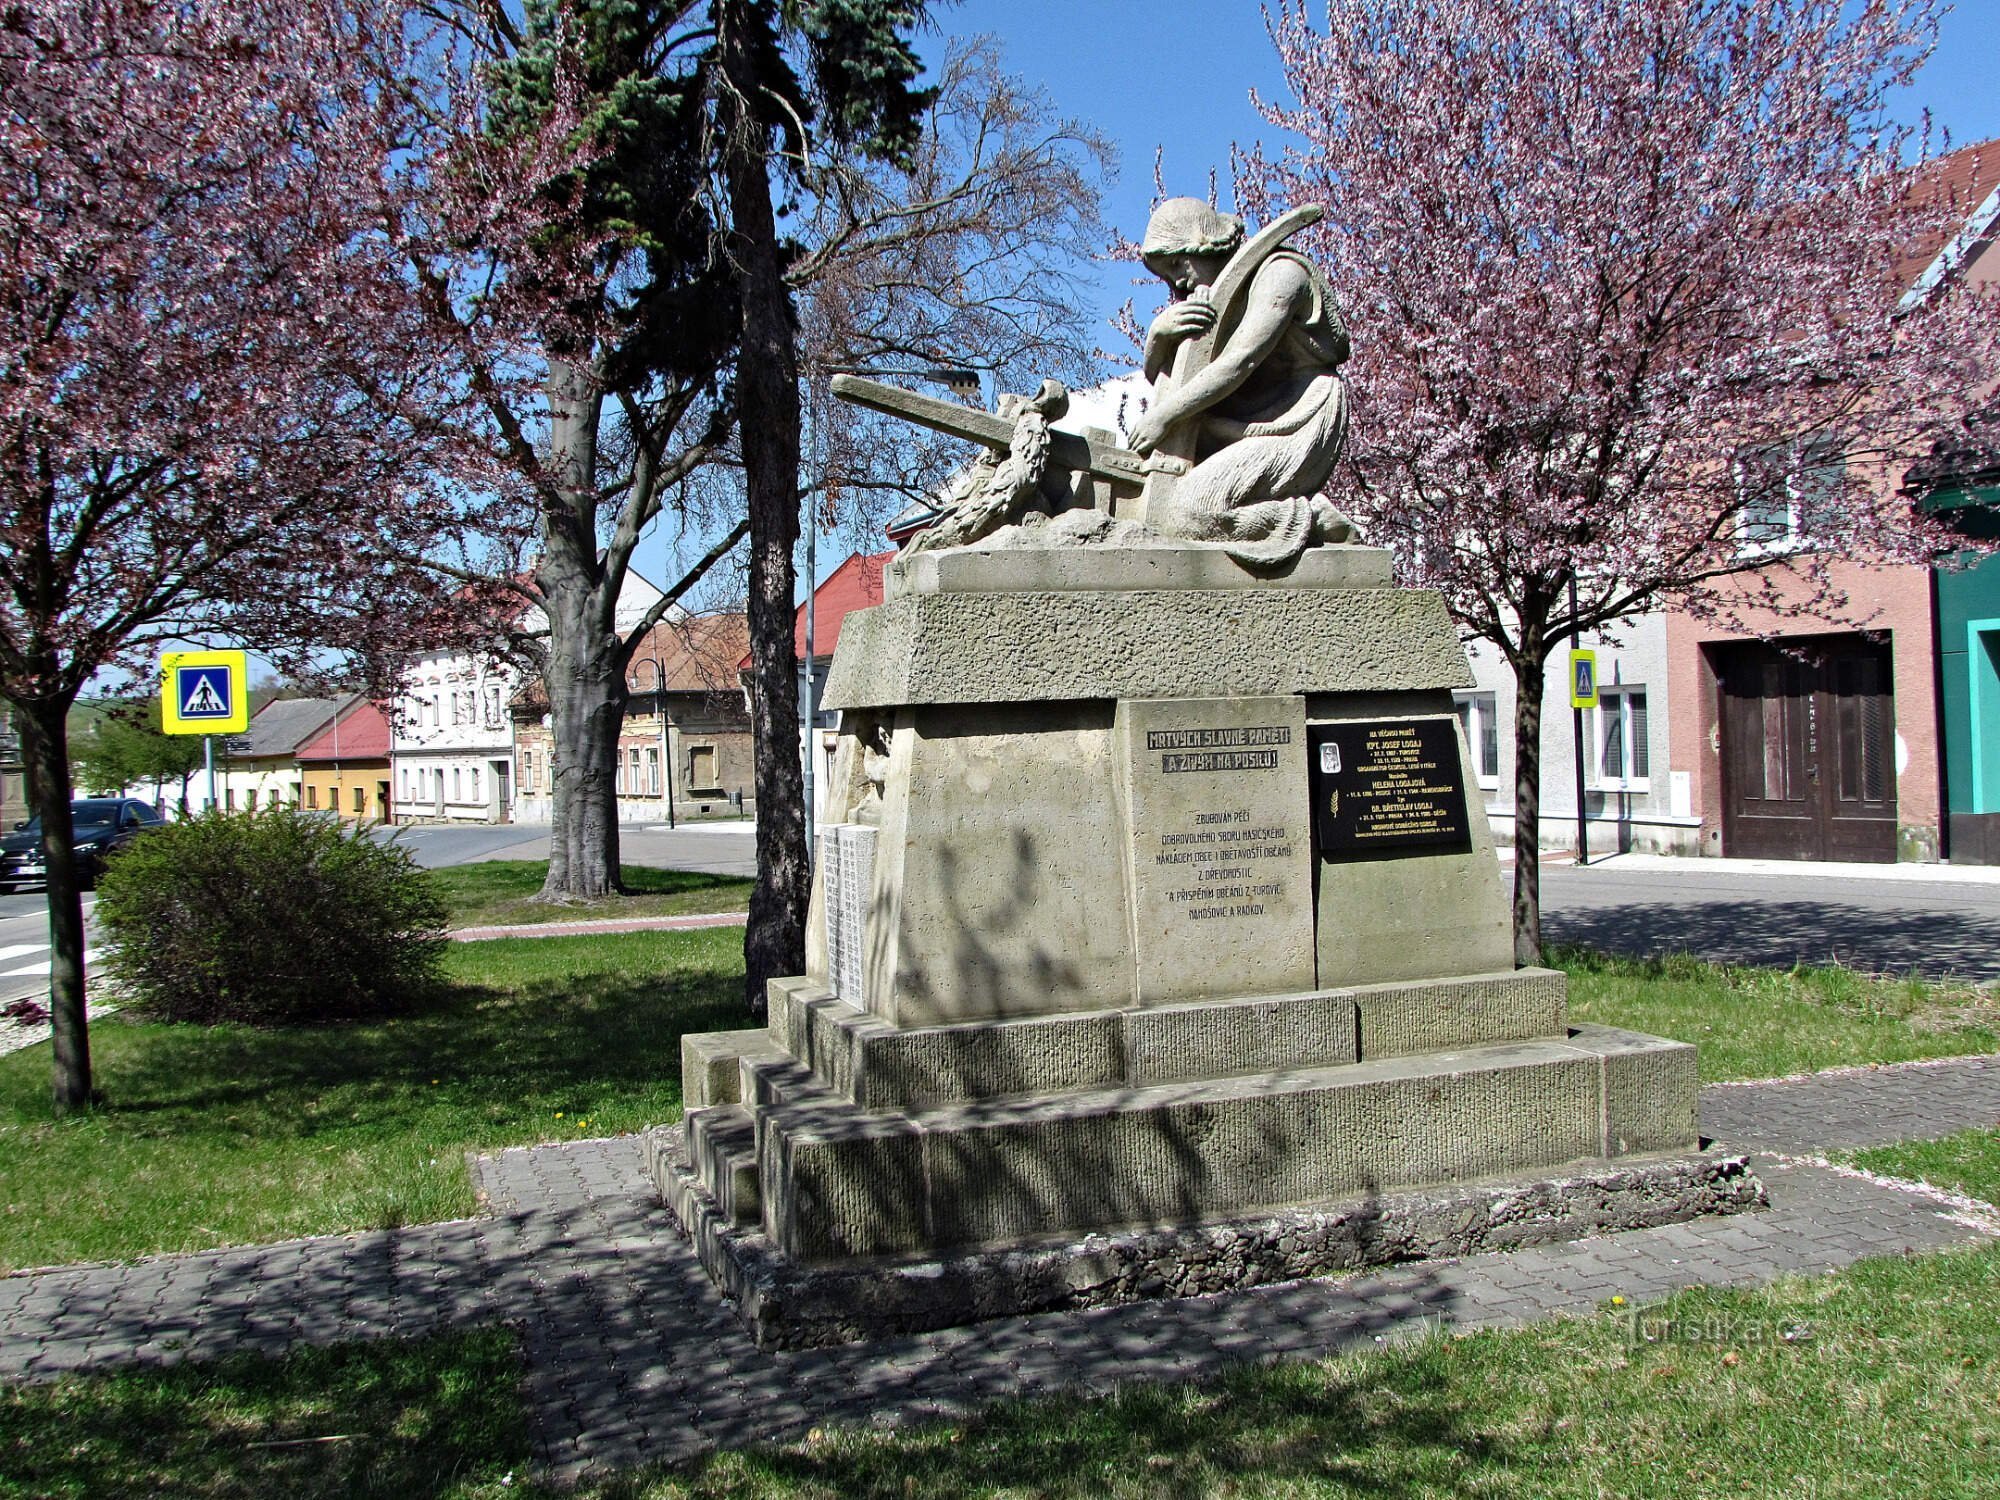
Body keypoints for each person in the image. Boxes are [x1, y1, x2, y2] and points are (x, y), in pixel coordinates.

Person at [1127, 198, 1356, 569]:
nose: (1179, 281)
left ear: (1202, 241)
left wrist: (1166, 417)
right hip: (1243, 420)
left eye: (1176, 264)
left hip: (1300, 416)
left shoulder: (1282, 274)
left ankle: (1307, 518)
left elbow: (1241, 360)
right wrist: (1157, 336)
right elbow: (1163, 380)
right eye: (1168, 277)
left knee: (1186, 514)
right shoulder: (1219, 297)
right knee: (1160, 503)